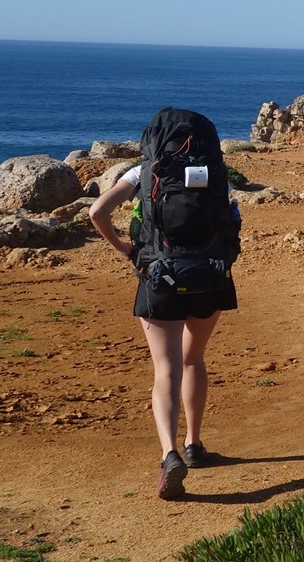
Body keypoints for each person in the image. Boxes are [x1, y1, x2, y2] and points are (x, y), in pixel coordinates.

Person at [89, 124, 239, 501]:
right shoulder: (217, 174)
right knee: (193, 360)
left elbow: (97, 212)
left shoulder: (143, 172)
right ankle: (194, 444)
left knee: (166, 367)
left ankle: (169, 453)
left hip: (159, 279)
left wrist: (124, 249)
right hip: (210, 278)